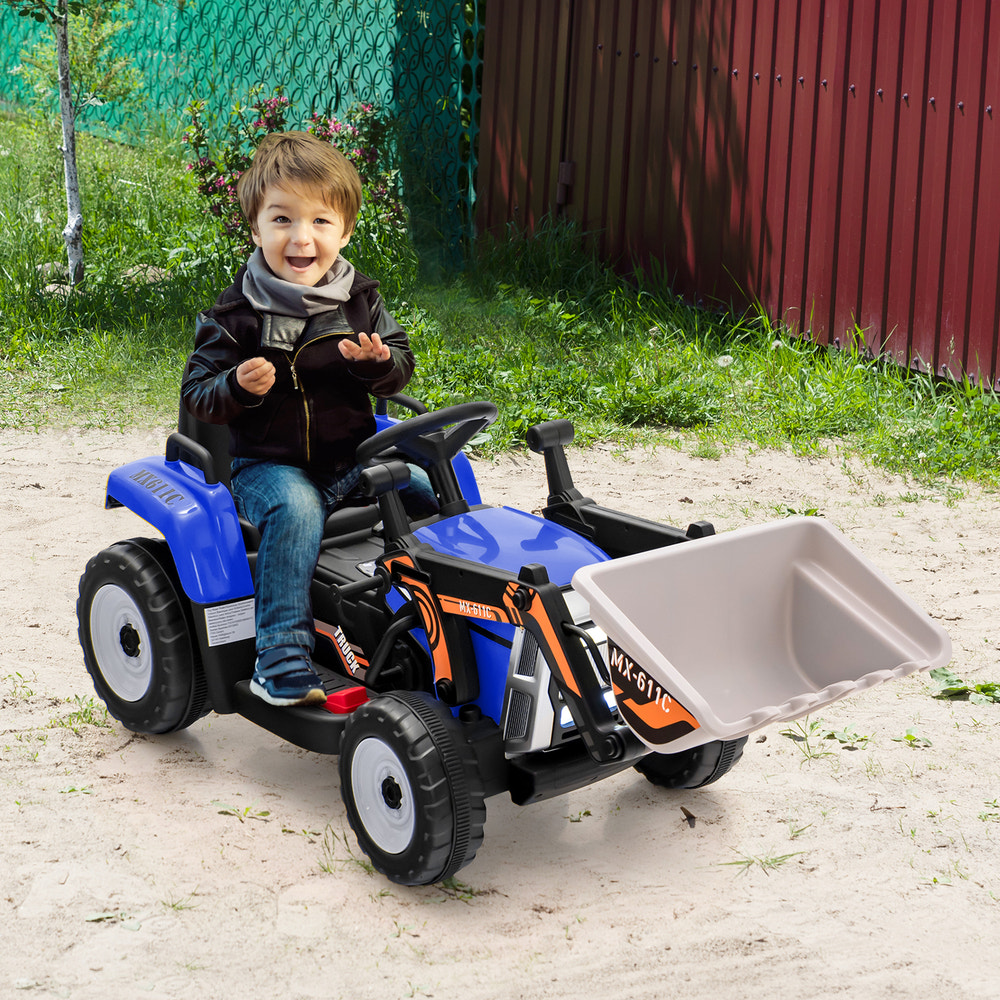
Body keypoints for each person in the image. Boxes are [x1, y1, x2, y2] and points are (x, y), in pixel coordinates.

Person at [181, 130, 420, 707]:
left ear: (345, 230)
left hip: (350, 459)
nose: (301, 237)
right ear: (256, 228)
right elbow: (197, 394)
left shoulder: (361, 300)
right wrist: (235, 386)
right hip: (268, 466)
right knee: (296, 508)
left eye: (320, 221)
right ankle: (280, 657)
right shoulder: (234, 314)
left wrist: (379, 364)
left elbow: (400, 366)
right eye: (282, 219)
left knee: (426, 483)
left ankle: (431, 618)